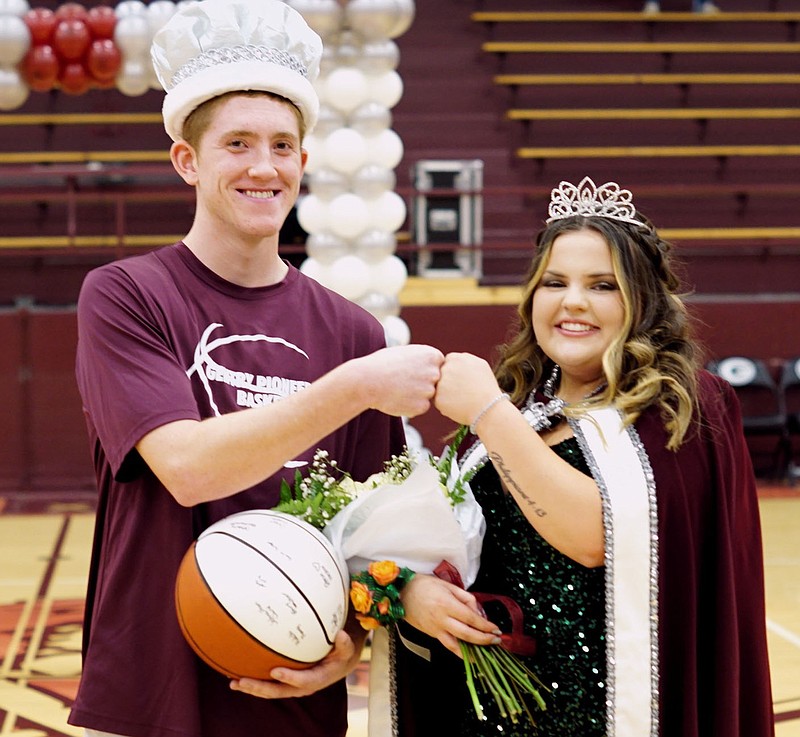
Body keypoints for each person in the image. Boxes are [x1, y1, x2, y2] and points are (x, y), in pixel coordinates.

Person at [66, 2, 447, 737]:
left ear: (304, 163)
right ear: (188, 160)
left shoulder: (352, 330)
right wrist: (354, 386)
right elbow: (186, 467)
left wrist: (351, 640)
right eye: (236, 143)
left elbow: (372, 539)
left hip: (289, 694)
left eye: (282, 145)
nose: (263, 166)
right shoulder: (125, 295)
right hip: (148, 695)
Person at [395, 176, 775, 736]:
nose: (572, 301)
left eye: (602, 285)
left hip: (611, 716)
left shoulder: (683, 405)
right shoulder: (518, 408)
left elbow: (596, 537)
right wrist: (414, 591)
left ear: (642, 300)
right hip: (493, 717)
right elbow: (452, 548)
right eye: (554, 282)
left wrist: (487, 413)